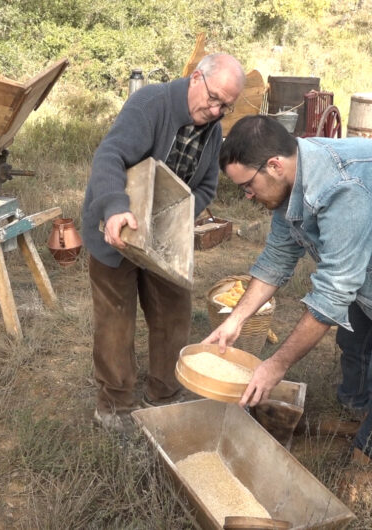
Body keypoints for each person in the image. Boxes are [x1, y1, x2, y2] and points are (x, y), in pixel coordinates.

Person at [203, 115, 372, 499]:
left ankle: (370, 458)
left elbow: (333, 292)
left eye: (247, 185)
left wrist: (275, 366)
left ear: (275, 165)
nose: (246, 196)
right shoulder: (289, 183)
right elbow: (277, 258)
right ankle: (358, 415)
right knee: (353, 341)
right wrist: (236, 320)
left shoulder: (342, 188)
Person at [82, 53, 245, 433]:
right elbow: (109, 156)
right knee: (115, 321)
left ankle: (166, 392)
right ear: (195, 78)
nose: (216, 109)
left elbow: (204, 187)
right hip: (117, 227)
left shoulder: (214, 128)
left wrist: (174, 216)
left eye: (226, 106)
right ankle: (115, 405)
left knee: (174, 310)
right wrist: (116, 209)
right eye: (214, 97)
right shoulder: (150, 104)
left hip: (164, 237)